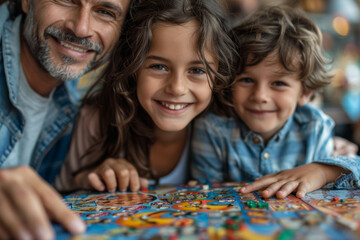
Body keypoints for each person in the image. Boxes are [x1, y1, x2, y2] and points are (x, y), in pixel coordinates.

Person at [54, 0, 236, 194]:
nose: (177, 88)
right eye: (159, 67)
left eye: (197, 70)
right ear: (131, 67)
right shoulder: (96, 119)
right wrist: (91, 176)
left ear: (218, 76)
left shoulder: (227, 131)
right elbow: (62, 188)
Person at [191, 5, 360, 200]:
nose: (260, 96)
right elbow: (202, 197)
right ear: (231, 82)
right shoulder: (212, 129)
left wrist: (322, 171)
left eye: (278, 83)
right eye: (246, 80)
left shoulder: (314, 127)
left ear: (305, 92)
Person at [0, 0, 130, 238]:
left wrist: (81, 182)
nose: (81, 28)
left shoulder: (75, 100)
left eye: (104, 12)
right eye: (67, 0)